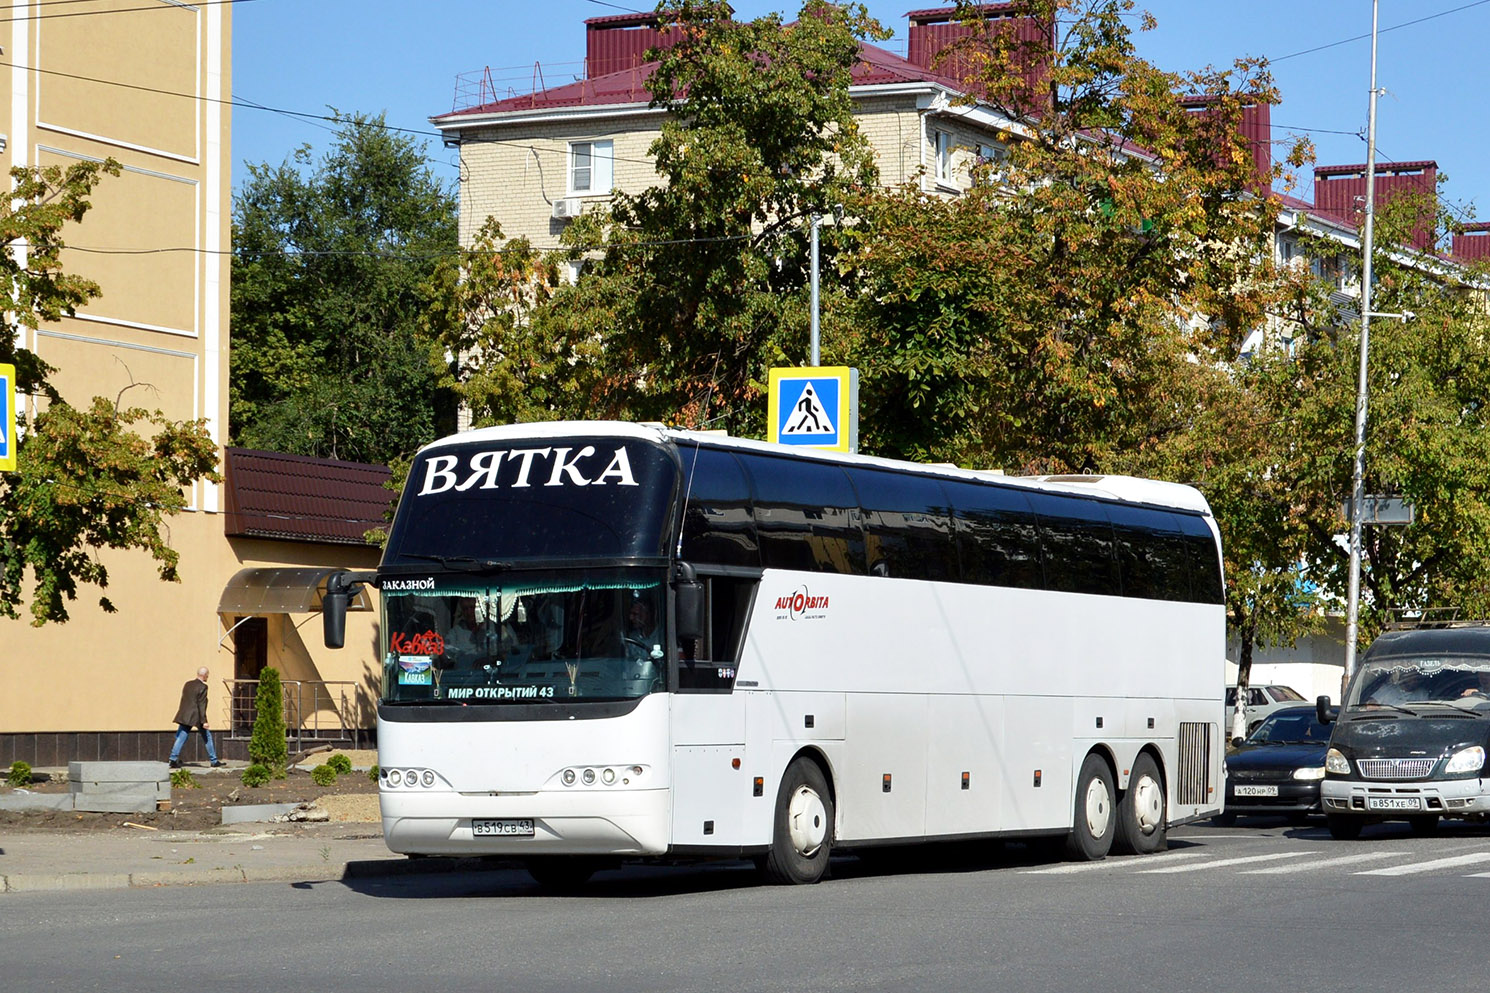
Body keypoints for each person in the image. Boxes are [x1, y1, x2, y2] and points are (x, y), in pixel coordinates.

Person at [169, 667, 224, 768]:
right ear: (205, 675)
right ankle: (214, 761)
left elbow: (185, 700)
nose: (208, 676)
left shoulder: (188, 684)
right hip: (196, 716)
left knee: (181, 737)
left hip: (185, 715)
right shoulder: (203, 687)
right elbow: (201, 705)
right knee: (207, 737)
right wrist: (204, 721)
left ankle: (173, 759)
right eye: (208, 674)